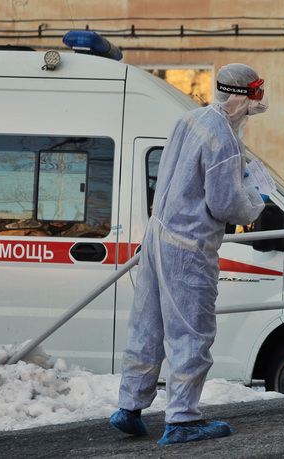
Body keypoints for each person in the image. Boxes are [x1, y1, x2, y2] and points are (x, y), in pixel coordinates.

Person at [110, 63, 269, 443]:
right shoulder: (226, 141)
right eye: (254, 99)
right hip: (189, 248)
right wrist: (256, 200)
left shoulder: (190, 120)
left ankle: (129, 407)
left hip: (158, 237)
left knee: (147, 326)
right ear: (244, 97)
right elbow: (225, 204)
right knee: (191, 332)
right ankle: (181, 419)